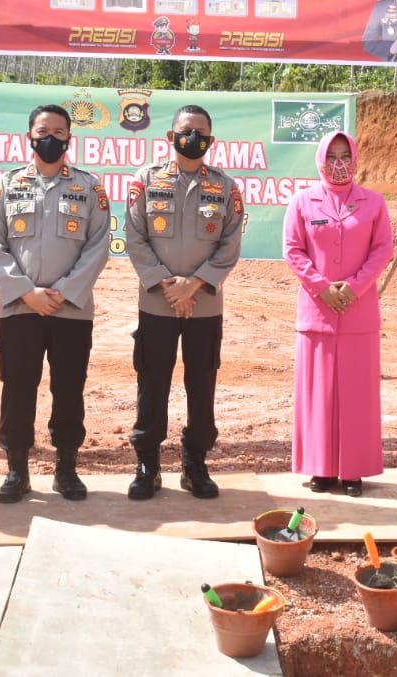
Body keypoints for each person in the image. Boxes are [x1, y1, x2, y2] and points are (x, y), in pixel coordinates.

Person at [0, 105, 111, 503]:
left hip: (71, 310)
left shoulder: (90, 189)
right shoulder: (5, 186)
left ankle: (66, 469)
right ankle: (16, 470)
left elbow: (99, 246)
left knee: (69, 388)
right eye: (44, 131)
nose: (51, 138)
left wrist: (64, 292)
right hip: (20, 309)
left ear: (70, 139)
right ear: (29, 137)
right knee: (18, 388)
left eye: (59, 131)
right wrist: (27, 292)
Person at [123, 105, 244, 500]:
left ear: (211, 139)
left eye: (201, 131)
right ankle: (148, 464)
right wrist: (167, 284)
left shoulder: (226, 187)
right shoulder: (146, 180)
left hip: (204, 304)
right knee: (152, 381)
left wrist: (194, 285)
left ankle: (195, 464)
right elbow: (135, 238)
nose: (193, 137)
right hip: (158, 301)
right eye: (186, 130)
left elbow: (230, 244)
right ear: (169, 136)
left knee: (202, 383)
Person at [283, 131, 393, 498]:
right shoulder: (303, 201)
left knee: (357, 394)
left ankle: (353, 470)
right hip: (317, 311)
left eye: (346, 155)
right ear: (320, 160)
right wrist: (322, 286)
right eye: (332, 156)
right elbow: (293, 250)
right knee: (318, 393)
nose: (339, 163)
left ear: (356, 158)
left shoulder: (374, 203)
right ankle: (321, 468)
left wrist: (354, 288)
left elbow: (382, 251)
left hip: (359, 312)